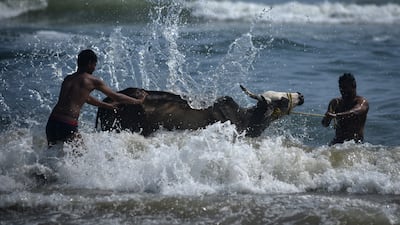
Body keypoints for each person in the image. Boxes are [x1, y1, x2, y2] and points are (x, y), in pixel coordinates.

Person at [46, 49, 147, 146]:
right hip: (67, 123)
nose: (94, 68)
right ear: (90, 63)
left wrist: (107, 105)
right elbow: (117, 97)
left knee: (51, 155)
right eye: (94, 65)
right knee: (81, 155)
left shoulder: (68, 78)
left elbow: (86, 98)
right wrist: (138, 101)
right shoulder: (92, 80)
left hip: (52, 121)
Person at [321, 73, 369, 145]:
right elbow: (325, 124)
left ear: (354, 86)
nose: (342, 90)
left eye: (345, 87)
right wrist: (327, 117)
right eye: (341, 87)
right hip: (337, 143)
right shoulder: (335, 103)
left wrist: (337, 115)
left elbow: (355, 111)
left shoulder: (362, 102)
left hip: (355, 145)